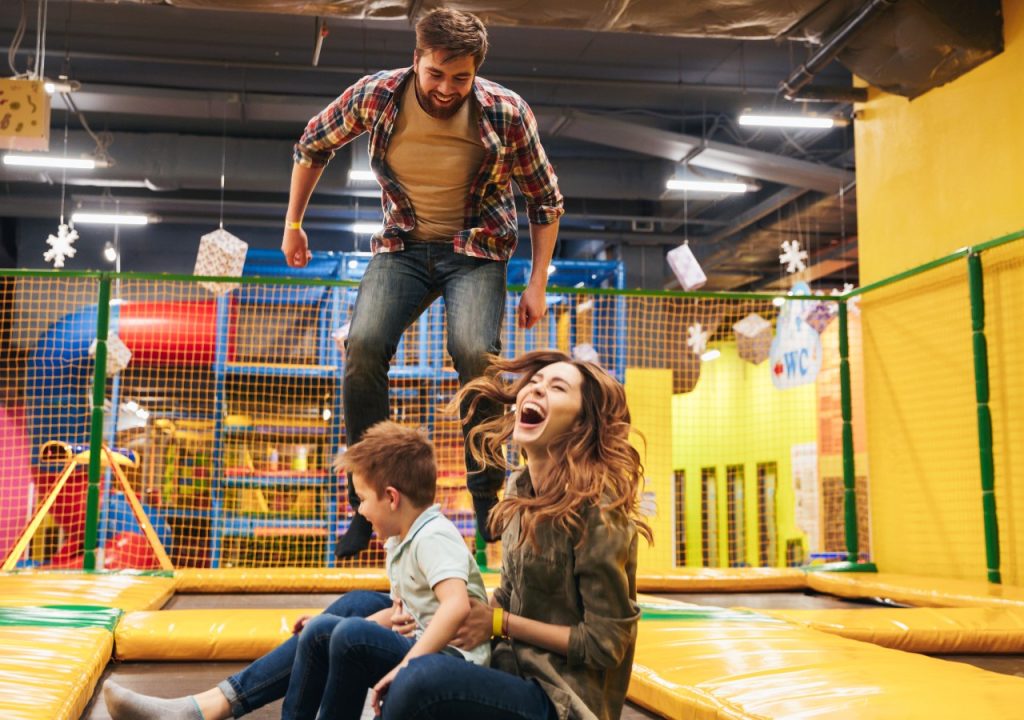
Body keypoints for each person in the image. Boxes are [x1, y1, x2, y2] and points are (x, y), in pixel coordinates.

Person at [281, 7, 564, 558]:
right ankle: (366, 502)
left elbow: (545, 200)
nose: (445, 89)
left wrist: (537, 282)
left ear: (476, 72)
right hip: (404, 247)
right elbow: (312, 144)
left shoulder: (506, 112)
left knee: (474, 353)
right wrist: (293, 225)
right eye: (436, 74)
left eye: (461, 78)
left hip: (476, 250)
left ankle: (489, 503)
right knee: (362, 346)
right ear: (417, 60)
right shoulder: (378, 95)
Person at [103, 421, 490, 720]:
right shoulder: (400, 541)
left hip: (450, 663)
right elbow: (403, 610)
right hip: (423, 645)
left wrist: (404, 664)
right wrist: (332, 625)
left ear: (391, 498)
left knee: (345, 631)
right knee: (325, 629)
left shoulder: (433, 536)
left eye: (362, 500)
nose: (358, 510)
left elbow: (455, 607)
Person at [379, 349, 652, 720]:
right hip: (511, 668)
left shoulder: (598, 510)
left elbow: (605, 643)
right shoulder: (520, 489)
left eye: (556, 388)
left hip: (562, 698)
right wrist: (443, 615)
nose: (535, 391)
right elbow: (509, 594)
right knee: (359, 620)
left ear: (580, 424)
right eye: (534, 383)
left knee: (420, 680)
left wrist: (498, 623)